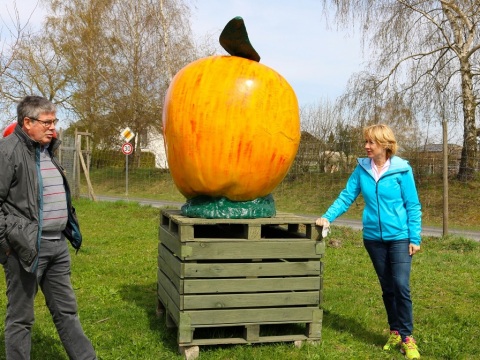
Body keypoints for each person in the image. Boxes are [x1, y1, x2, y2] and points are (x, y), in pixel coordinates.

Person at [0, 96, 97, 360]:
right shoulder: (7, 151)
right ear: (27, 122)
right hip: (25, 249)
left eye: (55, 121)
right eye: (47, 122)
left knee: (67, 311)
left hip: (57, 246)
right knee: (21, 318)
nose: (53, 127)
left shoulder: (47, 150)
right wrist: (8, 244)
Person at [316, 124, 422, 359]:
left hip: (400, 237)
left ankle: (407, 337)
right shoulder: (362, 169)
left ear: (384, 144)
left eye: (371, 142)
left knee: (401, 286)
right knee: (387, 287)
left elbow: (412, 205)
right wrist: (327, 217)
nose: (366, 146)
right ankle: (394, 331)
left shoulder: (402, 170)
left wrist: (414, 237)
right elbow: (346, 196)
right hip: (373, 238)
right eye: (366, 142)